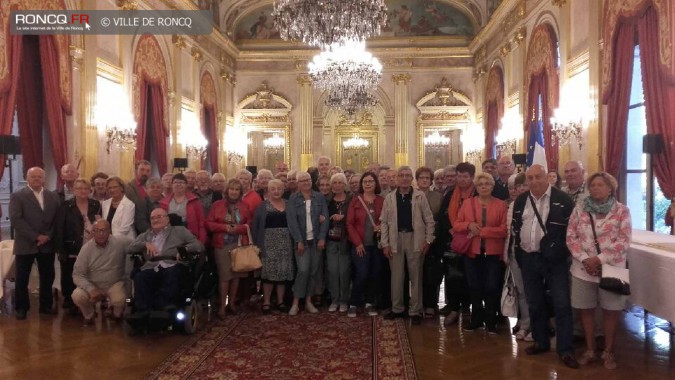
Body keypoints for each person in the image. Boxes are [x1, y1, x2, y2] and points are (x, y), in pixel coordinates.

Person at [511, 164, 579, 369]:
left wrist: (560, 253)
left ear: (547, 178)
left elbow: (573, 231)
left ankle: (565, 349)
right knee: (534, 302)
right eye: (529, 178)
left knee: (561, 304)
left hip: (554, 260)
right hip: (529, 258)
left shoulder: (562, 200)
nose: (533, 181)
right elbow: (516, 227)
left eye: (537, 177)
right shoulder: (521, 200)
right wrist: (520, 255)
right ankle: (541, 341)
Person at [567, 172, 631, 370]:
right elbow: (571, 236)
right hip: (582, 269)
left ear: (610, 188)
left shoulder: (621, 211)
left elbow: (623, 240)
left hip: (612, 269)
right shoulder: (579, 210)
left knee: (611, 311)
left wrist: (599, 259)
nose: (595, 188)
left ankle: (608, 351)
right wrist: (586, 259)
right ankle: (590, 349)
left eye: (600, 185)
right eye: (592, 185)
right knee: (585, 310)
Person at [453, 173, 508, 334]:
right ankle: (476, 319)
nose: (484, 186)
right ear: (476, 187)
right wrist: (468, 225)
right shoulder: (468, 204)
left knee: (491, 287)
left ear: (492, 186)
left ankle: (491, 321)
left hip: (493, 253)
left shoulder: (500, 205)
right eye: (480, 184)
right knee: (474, 287)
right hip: (472, 252)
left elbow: (504, 229)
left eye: (487, 184)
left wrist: (483, 232)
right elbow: (457, 225)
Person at [380, 166, 435, 325]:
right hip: (395, 239)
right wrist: (385, 244)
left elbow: (429, 220)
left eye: (407, 175)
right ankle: (397, 309)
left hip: (415, 238)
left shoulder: (420, 196)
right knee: (396, 277)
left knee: (416, 276)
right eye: (401, 175)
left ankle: (415, 310)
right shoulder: (390, 198)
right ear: (396, 179)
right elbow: (383, 222)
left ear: (411, 179)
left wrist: (428, 240)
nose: (404, 178)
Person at [127, 208, 204, 314]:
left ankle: (166, 306)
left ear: (167, 219)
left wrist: (183, 250)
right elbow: (129, 248)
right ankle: (143, 310)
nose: (155, 220)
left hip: (173, 263)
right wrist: (144, 244)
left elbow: (199, 246)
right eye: (153, 218)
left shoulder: (179, 231)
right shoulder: (145, 235)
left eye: (159, 217)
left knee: (174, 273)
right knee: (140, 276)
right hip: (152, 265)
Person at [9, 167, 61, 320]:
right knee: (21, 278)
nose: (37, 179)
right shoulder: (17, 196)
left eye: (40, 177)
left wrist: (47, 236)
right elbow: (16, 219)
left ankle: (45, 306)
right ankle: (22, 308)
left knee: (47, 276)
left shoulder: (53, 196)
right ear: (27, 178)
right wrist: (36, 236)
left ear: (44, 179)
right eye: (33, 176)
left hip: (47, 243)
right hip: (25, 243)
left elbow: (57, 220)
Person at [206, 179, 253, 317]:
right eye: (231, 189)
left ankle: (232, 303)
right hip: (222, 244)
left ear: (240, 192)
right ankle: (222, 305)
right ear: (227, 191)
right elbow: (208, 223)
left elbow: (249, 224)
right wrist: (225, 228)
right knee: (224, 276)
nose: (234, 192)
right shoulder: (217, 205)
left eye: (237, 189)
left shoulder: (244, 206)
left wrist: (237, 229)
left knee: (236, 274)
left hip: (238, 243)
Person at [55, 179, 102, 311]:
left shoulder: (96, 204)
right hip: (71, 245)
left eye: (85, 188)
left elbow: (101, 222)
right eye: (79, 188)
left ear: (89, 190)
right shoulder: (65, 205)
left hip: (91, 246)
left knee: (86, 274)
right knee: (68, 273)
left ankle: (86, 299)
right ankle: (69, 300)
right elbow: (59, 228)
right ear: (73, 190)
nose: (82, 191)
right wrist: (60, 249)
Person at [286, 171, 329, 315]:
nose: (306, 182)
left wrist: (322, 237)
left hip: (316, 240)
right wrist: (299, 240)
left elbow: (325, 219)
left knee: (313, 272)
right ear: (298, 183)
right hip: (302, 241)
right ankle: (296, 302)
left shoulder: (319, 197)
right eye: (302, 180)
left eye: (308, 180)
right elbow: (292, 222)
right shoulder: (293, 199)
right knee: (303, 271)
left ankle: (308, 301)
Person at [72, 220, 130, 325]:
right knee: (77, 296)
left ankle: (116, 314)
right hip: (93, 285)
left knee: (124, 300)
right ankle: (89, 315)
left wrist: (147, 243)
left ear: (110, 231)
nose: (101, 234)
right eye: (97, 231)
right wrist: (91, 289)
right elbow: (77, 274)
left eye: (104, 230)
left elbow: (136, 243)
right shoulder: (86, 249)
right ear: (93, 232)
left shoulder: (121, 242)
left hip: (114, 284)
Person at [252, 179, 294, 314]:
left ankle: (281, 301)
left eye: (279, 189)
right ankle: (267, 301)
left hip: (286, 244)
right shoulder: (262, 206)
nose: (276, 191)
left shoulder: (289, 204)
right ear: (268, 191)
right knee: (268, 274)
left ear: (283, 190)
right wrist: (257, 245)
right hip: (268, 244)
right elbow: (256, 227)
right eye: (273, 189)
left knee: (282, 273)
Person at [346, 172, 384, 317]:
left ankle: (369, 303)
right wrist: (357, 243)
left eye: (371, 181)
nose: (368, 184)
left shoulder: (382, 200)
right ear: (362, 184)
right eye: (365, 182)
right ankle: (354, 303)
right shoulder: (355, 201)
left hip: (377, 245)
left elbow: (387, 219)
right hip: (360, 244)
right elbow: (349, 224)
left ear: (376, 184)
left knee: (375, 274)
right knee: (361, 274)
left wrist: (380, 226)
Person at [443, 162, 475, 325]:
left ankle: (467, 309)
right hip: (453, 242)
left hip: (472, 240)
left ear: (471, 177)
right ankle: (454, 308)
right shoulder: (450, 194)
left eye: (465, 176)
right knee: (453, 277)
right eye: (459, 176)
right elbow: (443, 215)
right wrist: (451, 229)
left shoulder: (476, 194)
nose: (461, 179)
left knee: (469, 277)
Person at [504, 172, 532, 341]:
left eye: (525, 185)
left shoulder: (538, 203)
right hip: (515, 253)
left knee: (535, 292)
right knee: (521, 291)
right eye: (519, 186)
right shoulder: (514, 205)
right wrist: (505, 252)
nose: (522, 188)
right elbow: (509, 232)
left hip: (534, 255)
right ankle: (525, 323)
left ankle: (537, 326)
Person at [415, 167, 444, 317]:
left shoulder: (438, 196)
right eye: (421, 178)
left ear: (431, 181)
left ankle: (431, 304)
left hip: (433, 240)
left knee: (432, 274)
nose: (424, 180)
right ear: (417, 180)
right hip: (415, 239)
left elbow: (440, 218)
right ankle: (417, 303)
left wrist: (431, 236)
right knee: (417, 273)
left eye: (427, 178)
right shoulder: (412, 196)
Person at [325, 173, 352, 313]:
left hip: (345, 240)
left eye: (340, 182)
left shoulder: (351, 199)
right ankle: (334, 299)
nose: (337, 185)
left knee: (344, 272)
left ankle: (344, 300)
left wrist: (344, 217)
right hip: (331, 240)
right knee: (332, 271)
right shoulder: (327, 200)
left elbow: (354, 217)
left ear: (344, 184)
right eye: (334, 182)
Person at [159, 173, 207, 243]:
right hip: (168, 236)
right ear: (172, 185)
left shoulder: (195, 201)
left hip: (189, 235)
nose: (178, 184)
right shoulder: (163, 202)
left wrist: (201, 241)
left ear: (186, 185)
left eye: (181, 182)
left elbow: (201, 222)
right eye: (175, 182)